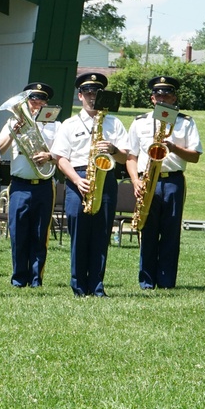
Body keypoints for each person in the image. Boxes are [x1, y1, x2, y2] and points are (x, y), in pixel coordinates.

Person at [50, 73, 129, 297]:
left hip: (106, 178)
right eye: (88, 93)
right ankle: (78, 287)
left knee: (101, 235)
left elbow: (124, 157)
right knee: (79, 235)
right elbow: (60, 158)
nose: (92, 97)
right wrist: (76, 179)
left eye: (96, 92)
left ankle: (97, 286)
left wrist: (113, 149)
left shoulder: (113, 123)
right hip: (79, 179)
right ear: (80, 96)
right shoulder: (69, 124)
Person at [125, 76, 202, 289]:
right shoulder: (140, 122)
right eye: (158, 95)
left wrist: (173, 147)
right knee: (147, 230)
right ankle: (147, 282)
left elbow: (195, 156)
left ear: (174, 97)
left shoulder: (185, 122)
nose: (162, 98)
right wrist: (135, 181)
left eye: (167, 94)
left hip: (173, 180)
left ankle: (167, 282)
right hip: (147, 180)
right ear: (152, 98)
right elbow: (131, 157)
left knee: (170, 232)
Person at [0, 82, 61, 287]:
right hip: (19, 185)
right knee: (18, 233)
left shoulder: (55, 125)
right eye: (32, 99)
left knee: (40, 233)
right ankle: (18, 277)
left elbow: (63, 154)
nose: (35, 103)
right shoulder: (12, 122)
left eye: (40, 100)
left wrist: (49, 156)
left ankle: (36, 278)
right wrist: (12, 132)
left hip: (44, 184)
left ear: (46, 103)